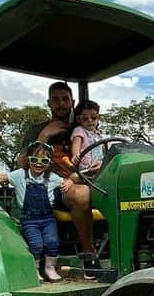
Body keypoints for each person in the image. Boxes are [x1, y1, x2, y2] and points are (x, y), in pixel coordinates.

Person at [21, 80, 100, 279]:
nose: (61, 104)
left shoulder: (83, 125)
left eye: (65, 99)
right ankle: (89, 255)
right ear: (49, 103)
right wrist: (45, 135)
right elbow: (21, 163)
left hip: (90, 180)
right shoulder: (37, 130)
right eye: (56, 99)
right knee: (81, 195)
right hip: (52, 188)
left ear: (72, 101)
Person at [2, 142, 63, 282]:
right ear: (28, 160)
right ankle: (34, 270)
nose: (39, 164)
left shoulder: (52, 177)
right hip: (29, 219)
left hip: (48, 218)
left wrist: (70, 183)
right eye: (34, 159)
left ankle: (50, 268)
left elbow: (66, 182)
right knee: (36, 244)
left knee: (52, 242)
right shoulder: (19, 175)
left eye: (44, 161)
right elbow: (3, 178)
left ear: (49, 162)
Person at [70, 99, 105, 176]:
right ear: (79, 119)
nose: (90, 120)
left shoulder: (98, 134)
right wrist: (75, 155)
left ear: (98, 118)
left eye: (93, 118)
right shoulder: (79, 130)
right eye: (85, 118)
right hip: (86, 169)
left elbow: (103, 149)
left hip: (98, 165)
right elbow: (76, 143)